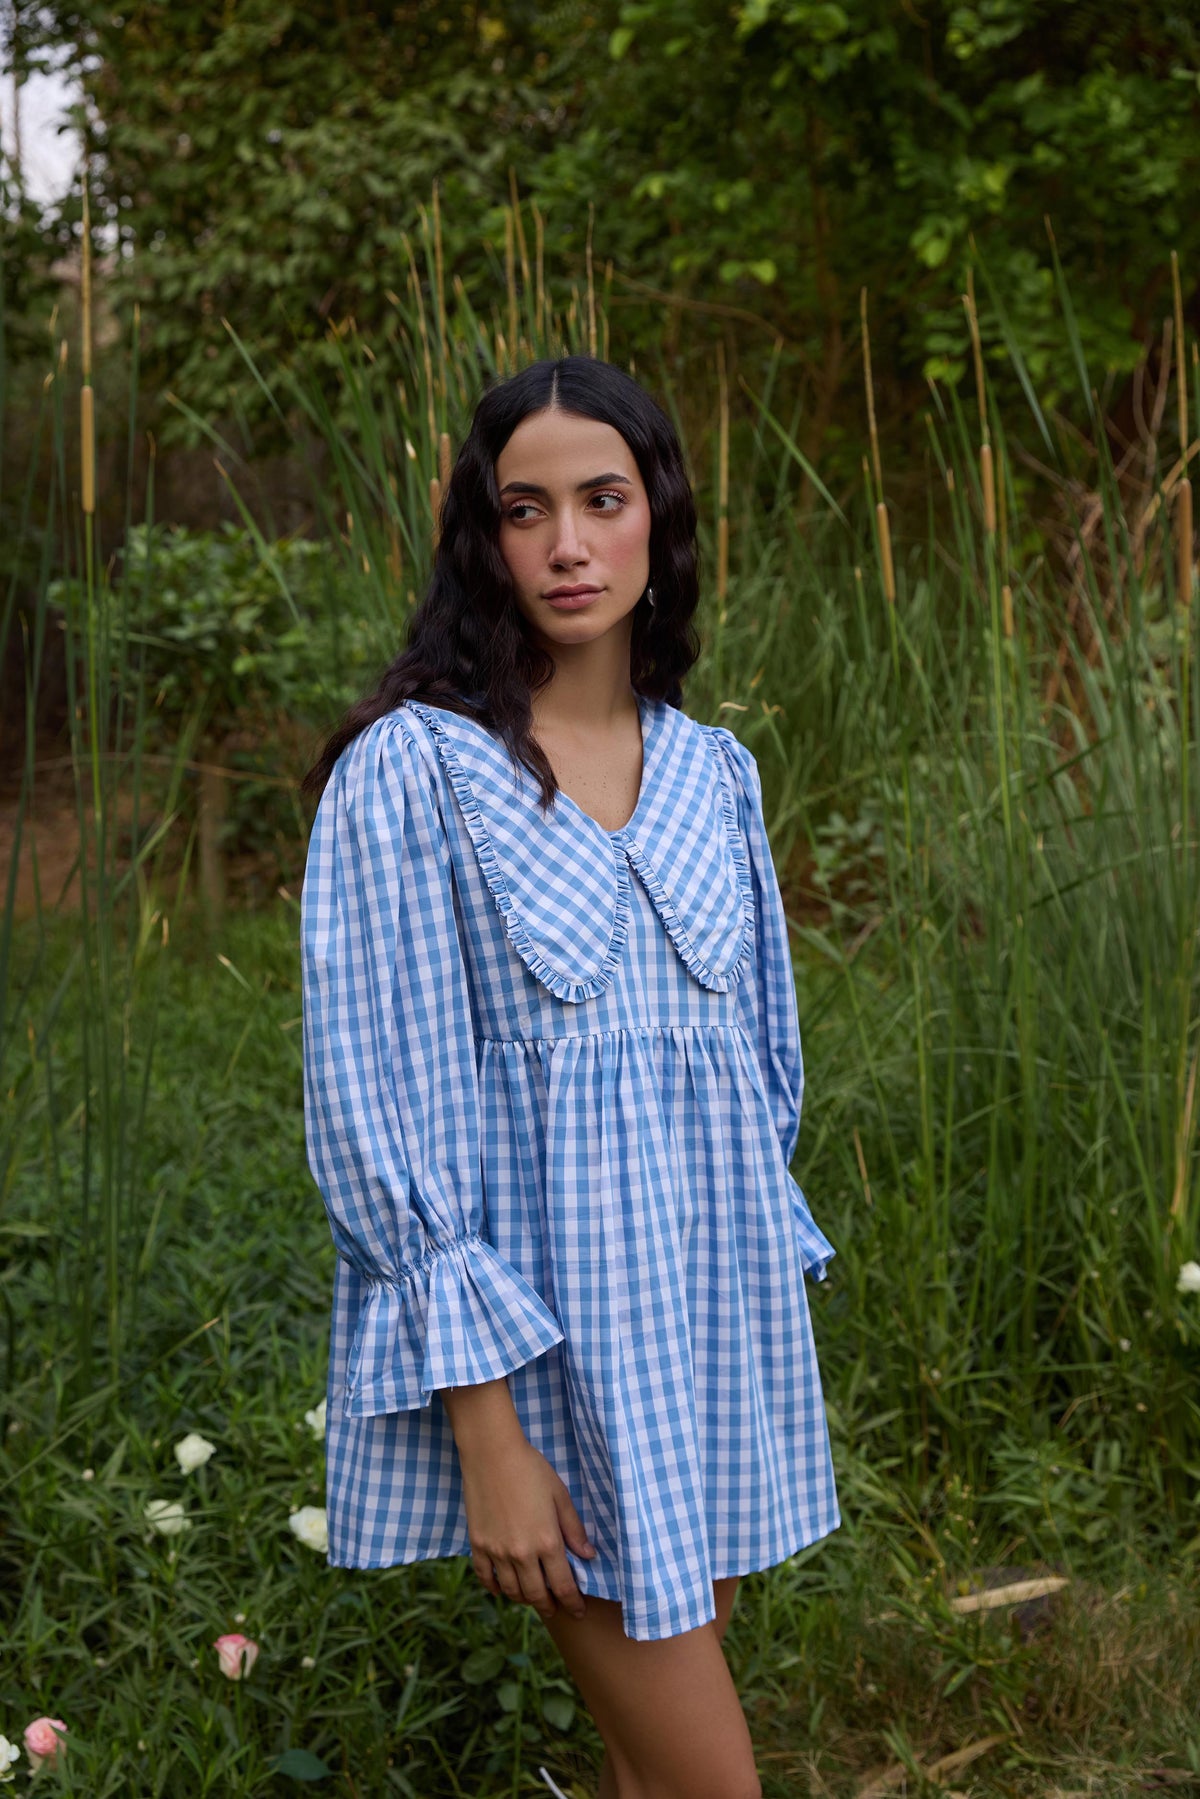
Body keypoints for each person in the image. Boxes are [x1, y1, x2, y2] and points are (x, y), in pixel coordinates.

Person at [299, 356, 840, 1799]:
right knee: (709, 1783)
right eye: (524, 509)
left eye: (602, 500)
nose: (567, 544)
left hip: (702, 1353)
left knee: (645, 1772)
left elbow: (758, 1084)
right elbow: (379, 1107)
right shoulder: (413, 773)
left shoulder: (718, 773)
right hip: (550, 1377)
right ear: (485, 537)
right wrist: (493, 1435)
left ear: (656, 518)